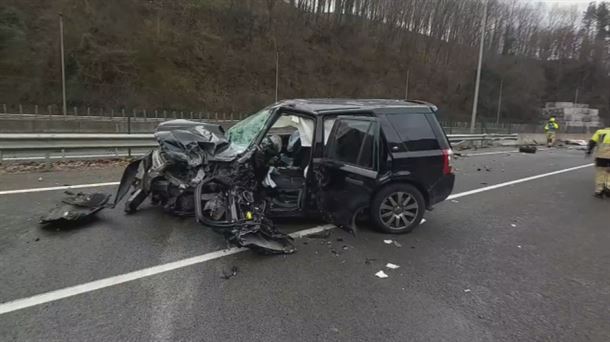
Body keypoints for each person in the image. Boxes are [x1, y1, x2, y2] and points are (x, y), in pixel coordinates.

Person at [586, 126, 610, 198]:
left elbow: (592, 142)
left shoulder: (599, 132)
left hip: (601, 156)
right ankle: (608, 187)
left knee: (600, 173)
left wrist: (589, 151)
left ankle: (599, 191)